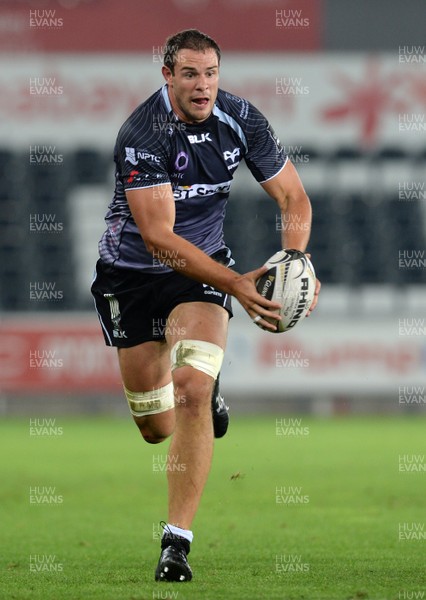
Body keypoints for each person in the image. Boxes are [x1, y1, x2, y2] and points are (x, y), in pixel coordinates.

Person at [91, 28, 320, 583]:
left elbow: (293, 196)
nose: (203, 86)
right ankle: (205, 388)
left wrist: (293, 262)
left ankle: (176, 544)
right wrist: (241, 285)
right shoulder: (143, 133)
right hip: (133, 276)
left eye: (211, 73)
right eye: (189, 74)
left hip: (201, 275)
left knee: (191, 387)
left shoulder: (243, 120)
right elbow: (160, 240)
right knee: (156, 427)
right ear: (166, 76)